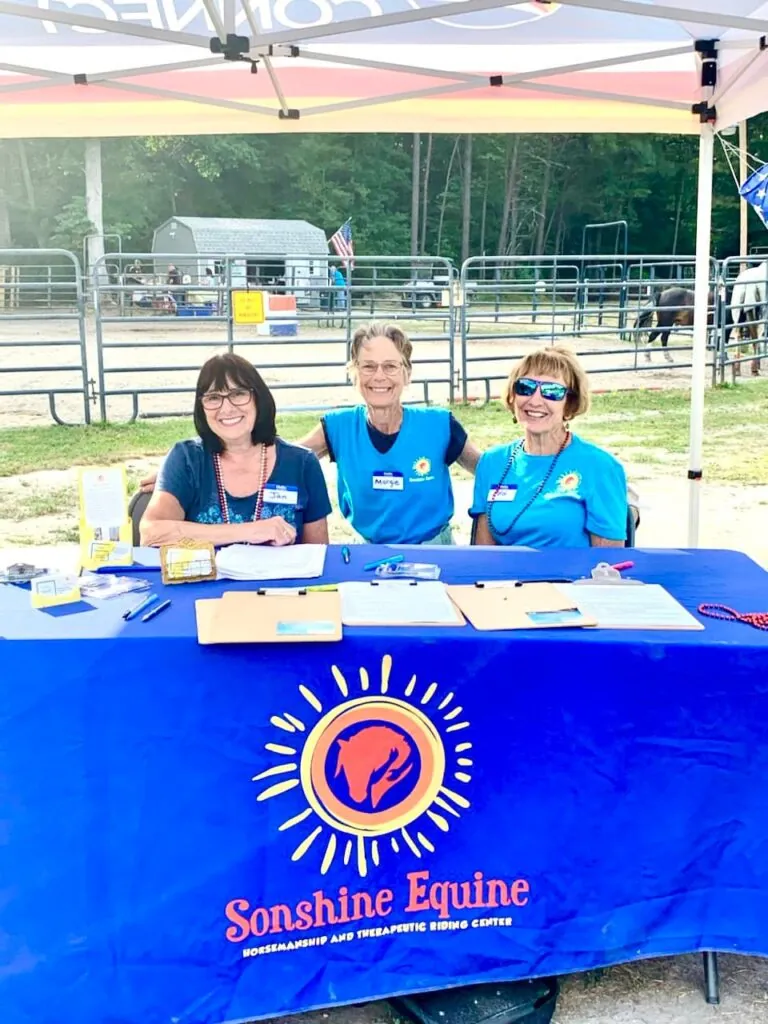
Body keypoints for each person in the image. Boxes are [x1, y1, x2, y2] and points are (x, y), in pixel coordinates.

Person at [299, 321, 480, 544]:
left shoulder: (439, 425)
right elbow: (283, 461)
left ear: (407, 373)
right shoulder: (337, 428)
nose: (379, 376)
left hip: (435, 553)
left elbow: (491, 471)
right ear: (353, 373)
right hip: (368, 556)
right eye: (368, 366)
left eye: (390, 366)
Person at [140, 354, 331, 547]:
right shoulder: (187, 459)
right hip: (204, 577)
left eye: (238, 394)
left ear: (258, 398)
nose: (227, 408)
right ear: (201, 407)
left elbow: (319, 556)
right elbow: (151, 534)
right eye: (213, 397)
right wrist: (250, 531)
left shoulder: (302, 463)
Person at [471, 346, 628, 548]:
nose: (535, 400)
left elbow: (608, 566)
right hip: (506, 580)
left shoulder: (601, 467)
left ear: (570, 403)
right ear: (513, 395)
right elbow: (484, 558)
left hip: (571, 579)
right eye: (525, 387)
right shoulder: (492, 462)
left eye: (552, 391)